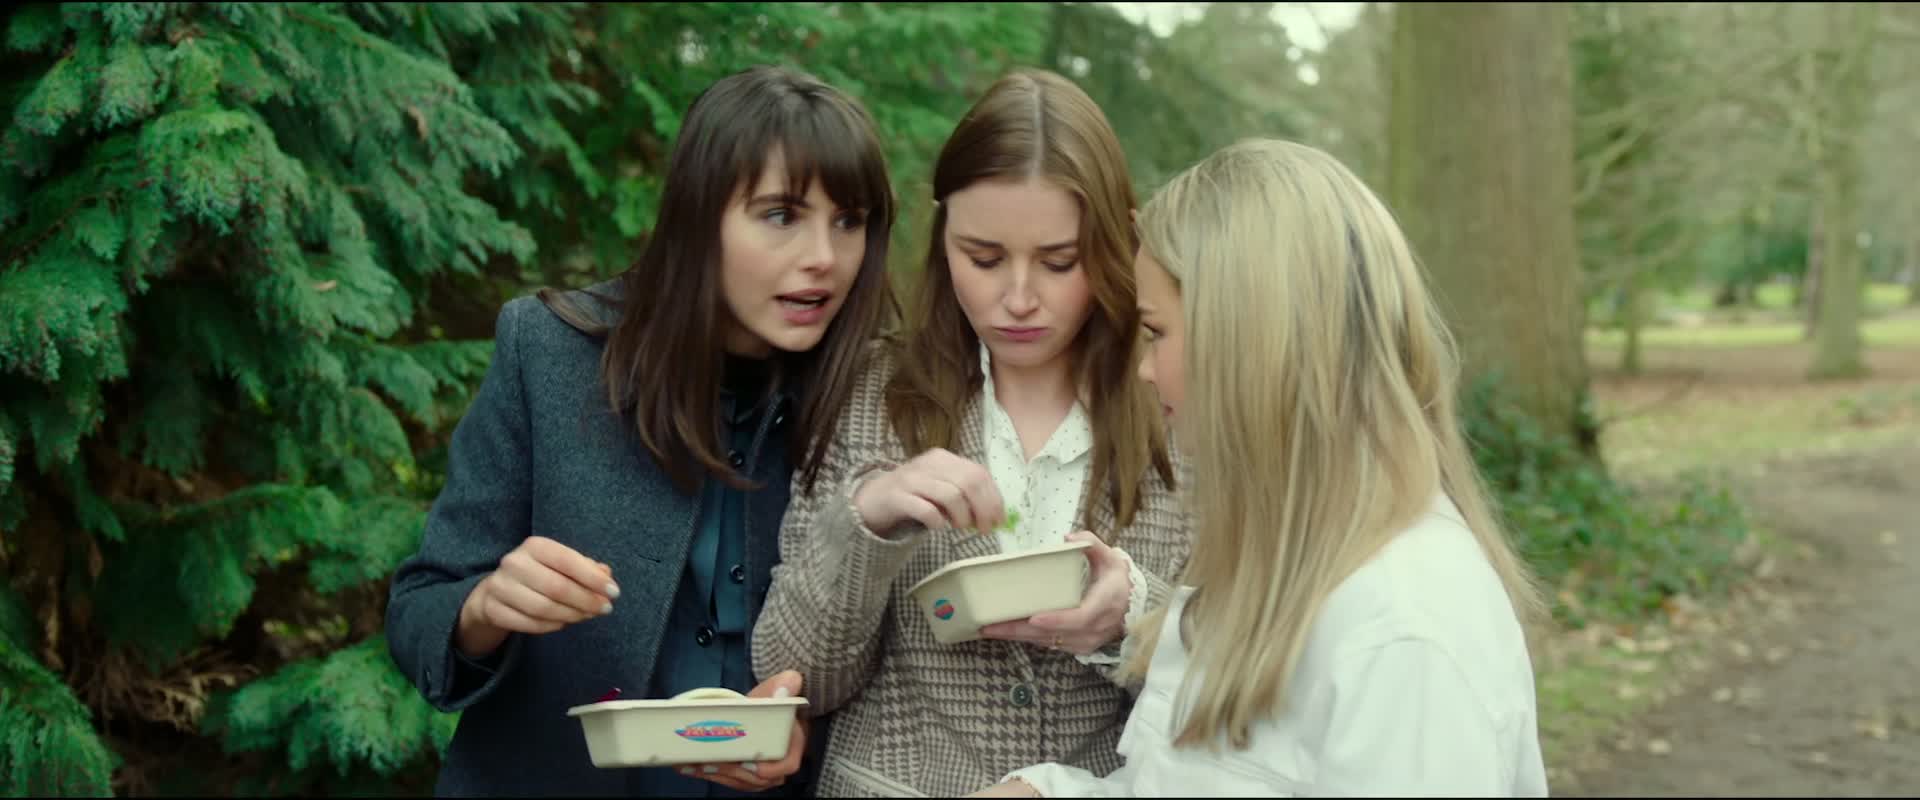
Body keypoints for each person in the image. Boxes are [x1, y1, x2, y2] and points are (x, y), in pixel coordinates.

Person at [969, 138, 1551, 797]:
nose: (1145, 369)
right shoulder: (1278, 557)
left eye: (1157, 333)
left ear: (1245, 341)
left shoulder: (1404, 629)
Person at [384, 64, 898, 798]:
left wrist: (809, 734)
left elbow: (896, 664)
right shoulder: (548, 351)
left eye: (849, 221)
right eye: (782, 215)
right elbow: (418, 614)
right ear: (698, 217)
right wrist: (485, 607)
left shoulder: (876, 396)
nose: (824, 256)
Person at [750, 68, 1193, 797]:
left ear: (1118, 241)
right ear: (942, 234)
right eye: (983, 258)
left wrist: (1136, 617)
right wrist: (867, 521)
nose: (1018, 298)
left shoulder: (1179, 410)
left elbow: (1246, 692)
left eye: (1059, 262)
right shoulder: (871, 393)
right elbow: (794, 676)